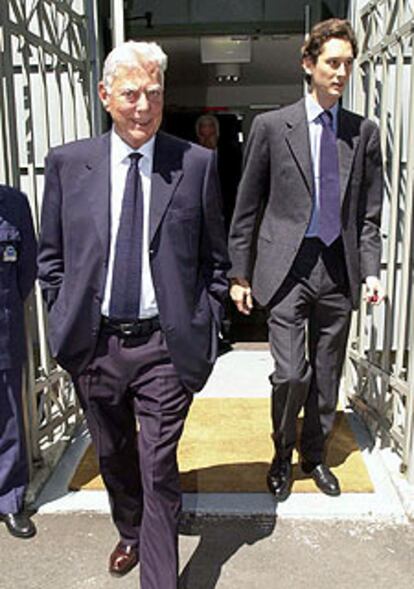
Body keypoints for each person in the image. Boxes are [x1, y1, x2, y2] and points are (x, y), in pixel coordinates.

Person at [37, 41, 229, 588]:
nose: (143, 105)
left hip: (164, 347)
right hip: (94, 344)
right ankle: (130, 528)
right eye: (130, 94)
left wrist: (208, 323)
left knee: (159, 468)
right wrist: (63, 316)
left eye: (153, 93)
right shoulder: (68, 164)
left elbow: (217, 260)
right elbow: (52, 258)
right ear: (105, 96)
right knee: (115, 455)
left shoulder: (194, 164)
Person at [228, 18, 384, 501]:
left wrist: (373, 270)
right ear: (308, 64)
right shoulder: (273, 127)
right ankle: (281, 452)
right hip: (286, 270)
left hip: (338, 270)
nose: (340, 72)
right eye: (332, 62)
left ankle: (313, 457)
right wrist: (240, 273)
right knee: (292, 372)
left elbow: (369, 216)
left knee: (327, 374)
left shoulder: (364, 133)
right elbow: (247, 206)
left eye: (347, 64)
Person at [0, 184, 37, 538]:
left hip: (2, 329)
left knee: (9, 417)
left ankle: (9, 500)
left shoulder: (13, 203)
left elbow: (27, 268)